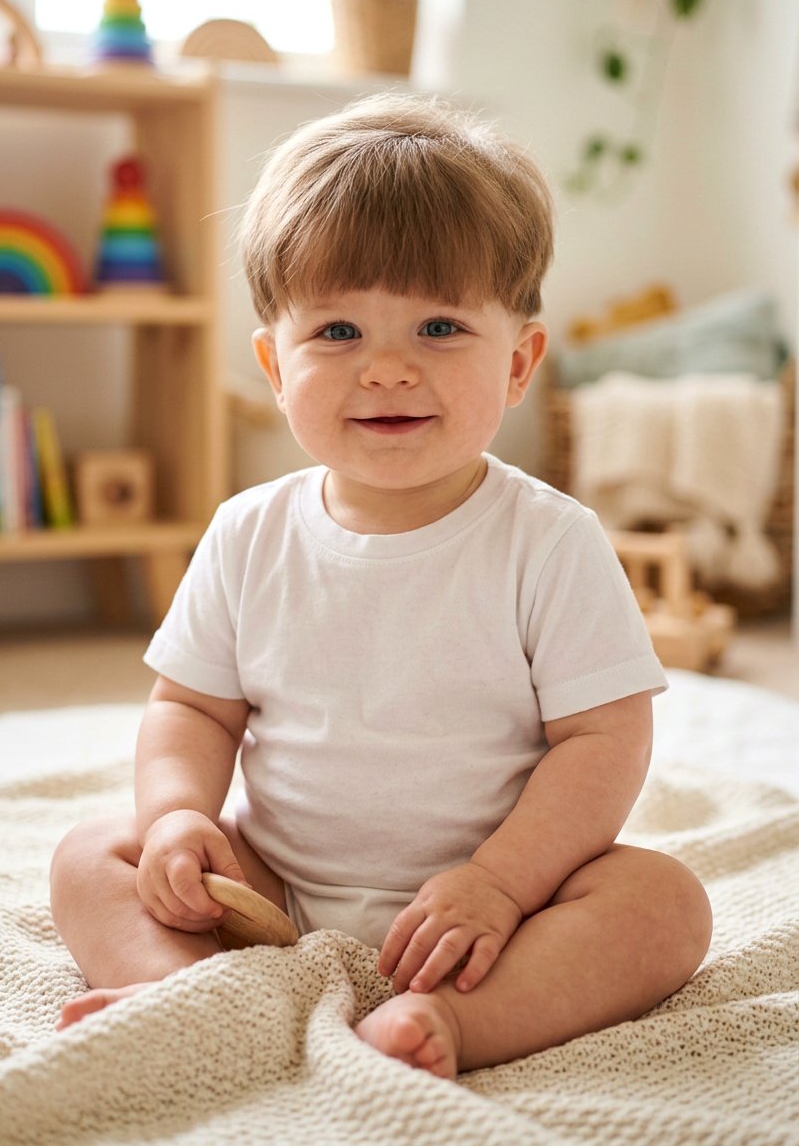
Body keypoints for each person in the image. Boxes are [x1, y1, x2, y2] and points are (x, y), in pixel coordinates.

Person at [51, 93, 712, 1079]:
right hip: (272, 889)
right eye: (338, 332)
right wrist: (178, 817)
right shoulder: (247, 534)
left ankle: (451, 1023)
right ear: (275, 365)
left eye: (439, 326)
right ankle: (183, 997)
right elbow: (190, 707)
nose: (389, 369)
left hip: (498, 908)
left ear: (519, 362)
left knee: (663, 906)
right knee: (94, 854)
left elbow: (604, 739)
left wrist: (501, 883)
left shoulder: (550, 541)